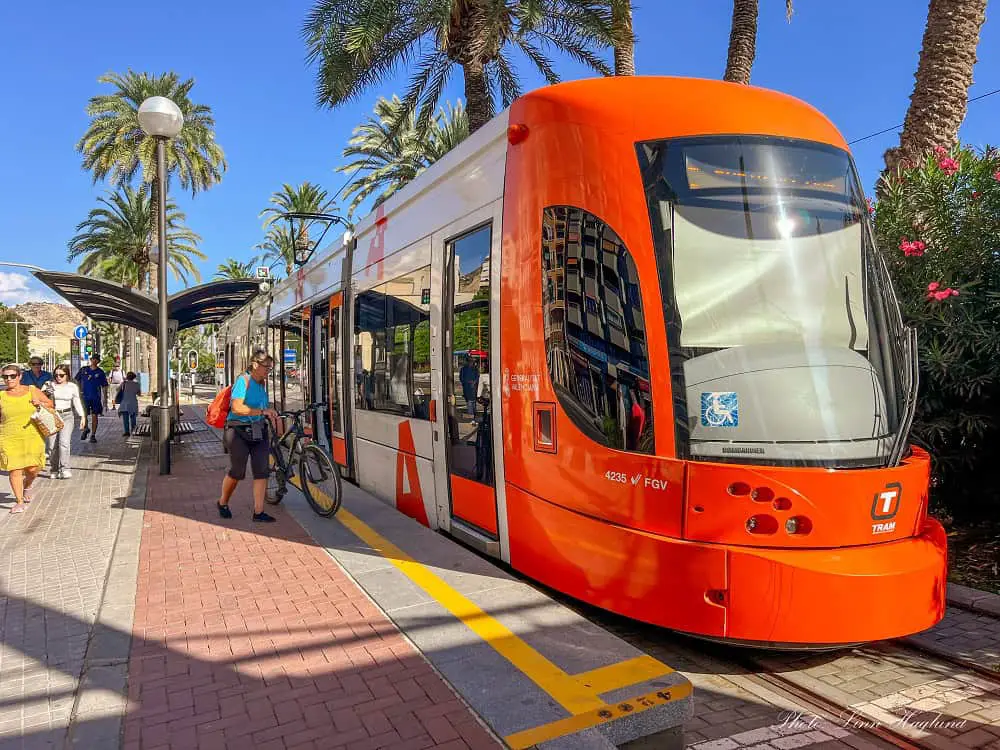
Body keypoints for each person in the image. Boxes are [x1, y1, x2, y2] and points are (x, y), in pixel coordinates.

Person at [217, 350, 279, 523]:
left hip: (258, 430)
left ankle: (258, 512)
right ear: (255, 365)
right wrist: (262, 411)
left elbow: (261, 406)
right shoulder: (243, 381)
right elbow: (237, 408)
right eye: (266, 367)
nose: (268, 371)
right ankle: (222, 502)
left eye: (270, 368)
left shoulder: (262, 384)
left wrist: (269, 414)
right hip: (238, 431)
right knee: (237, 472)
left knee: (262, 471)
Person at [0, 364, 53, 512]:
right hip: (8, 437)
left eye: (12, 376)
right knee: (14, 469)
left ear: (20, 376)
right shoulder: (1, 396)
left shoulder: (31, 390)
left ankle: (28, 485)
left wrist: (40, 403)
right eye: (5, 377)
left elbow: (50, 404)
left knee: (33, 468)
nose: (9, 379)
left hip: (32, 436)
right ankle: (19, 501)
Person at [43, 365, 84, 479]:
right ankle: (54, 469)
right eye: (56, 375)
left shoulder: (72, 386)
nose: (58, 377)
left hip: (67, 415)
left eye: (61, 375)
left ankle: (65, 469)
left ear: (67, 375)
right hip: (52, 416)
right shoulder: (48, 385)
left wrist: (82, 416)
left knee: (64, 443)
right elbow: (40, 399)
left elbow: (76, 401)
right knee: (52, 446)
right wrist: (46, 393)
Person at [75, 356, 108, 443]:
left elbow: (104, 386)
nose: (94, 361)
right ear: (90, 360)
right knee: (84, 414)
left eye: (96, 360)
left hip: (95, 398)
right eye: (93, 359)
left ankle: (93, 435)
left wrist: (105, 399)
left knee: (94, 416)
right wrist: (79, 390)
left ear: (98, 361)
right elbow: (76, 380)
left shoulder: (100, 372)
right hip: (84, 397)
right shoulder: (83, 370)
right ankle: (86, 428)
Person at [118, 372, 141, 436]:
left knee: (125, 419)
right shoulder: (137, 384)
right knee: (133, 418)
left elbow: (118, 390)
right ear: (134, 377)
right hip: (133, 402)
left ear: (127, 377)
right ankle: (134, 430)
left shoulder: (124, 383)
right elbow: (139, 394)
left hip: (124, 403)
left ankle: (127, 432)